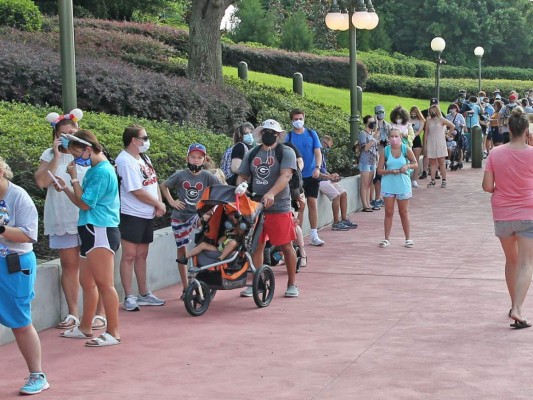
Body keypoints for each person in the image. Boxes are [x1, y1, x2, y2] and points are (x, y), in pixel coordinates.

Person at [35, 110, 106, 331]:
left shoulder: (89, 153)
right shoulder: (49, 154)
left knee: (95, 266)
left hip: (88, 216)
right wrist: (56, 157)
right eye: (63, 133)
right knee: (69, 265)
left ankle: (99, 313)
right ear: (55, 135)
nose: (68, 136)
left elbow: (103, 179)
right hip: (62, 215)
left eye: (72, 132)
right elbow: (41, 182)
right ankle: (73, 313)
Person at [53, 130, 121, 347]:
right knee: (87, 282)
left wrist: (72, 178)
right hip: (90, 229)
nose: (75, 159)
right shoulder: (95, 169)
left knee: (104, 284)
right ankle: (85, 327)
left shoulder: (102, 171)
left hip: (100, 229)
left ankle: (113, 331)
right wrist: (66, 188)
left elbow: (85, 203)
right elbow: (83, 201)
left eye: (76, 154)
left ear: (88, 149)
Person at [0, 156, 50, 394]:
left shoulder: (19, 197)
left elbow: (29, 235)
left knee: (20, 321)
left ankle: (37, 375)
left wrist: (1, 229)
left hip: (15, 265)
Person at [482, 108, 533, 329]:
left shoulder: (495, 153)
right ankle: (518, 308)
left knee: (511, 261)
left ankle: (514, 305)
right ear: (527, 131)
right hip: (528, 213)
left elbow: (487, 186)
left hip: (502, 214)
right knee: (525, 262)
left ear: (508, 129)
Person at [238, 119, 299, 297]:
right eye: (265, 132)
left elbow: (286, 175)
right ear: (260, 133)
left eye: (272, 132)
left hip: (279, 206)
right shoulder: (252, 153)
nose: (268, 135)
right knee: (256, 245)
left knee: (286, 246)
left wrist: (271, 193)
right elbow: (242, 175)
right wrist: (241, 189)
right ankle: (257, 282)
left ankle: (292, 283)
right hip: (255, 206)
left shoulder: (285, 152)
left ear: (278, 135)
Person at [115, 125, 166, 312]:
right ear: (134, 141)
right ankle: (129, 296)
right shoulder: (125, 161)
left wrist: (158, 203)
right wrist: (157, 204)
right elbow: (135, 190)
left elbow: (153, 181)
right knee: (129, 255)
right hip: (131, 213)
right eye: (144, 137)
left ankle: (145, 293)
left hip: (147, 214)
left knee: (142, 254)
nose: (147, 140)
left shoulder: (144, 157)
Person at [160, 143, 219, 297]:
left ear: (204, 160)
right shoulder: (180, 174)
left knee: (204, 222)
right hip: (180, 216)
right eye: (193, 157)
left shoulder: (207, 176)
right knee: (182, 249)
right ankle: (186, 287)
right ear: (187, 158)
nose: (195, 160)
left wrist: (210, 208)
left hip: (196, 214)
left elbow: (220, 190)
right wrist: (172, 202)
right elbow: (164, 185)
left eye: (199, 157)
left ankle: (203, 275)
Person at [285, 109, 324, 247]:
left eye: (300, 118)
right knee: (300, 207)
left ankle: (314, 234)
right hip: (297, 178)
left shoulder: (311, 134)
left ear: (304, 118)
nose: (298, 121)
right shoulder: (288, 137)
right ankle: (297, 237)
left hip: (312, 174)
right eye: (295, 119)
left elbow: (318, 152)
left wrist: (318, 167)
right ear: (291, 120)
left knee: (312, 203)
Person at [376, 129, 418, 248]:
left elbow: (415, 163)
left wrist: (407, 165)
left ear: (400, 137)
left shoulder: (405, 149)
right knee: (388, 212)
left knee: (403, 212)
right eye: (391, 136)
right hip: (389, 184)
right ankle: (386, 238)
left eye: (396, 136)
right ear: (389, 138)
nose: (394, 139)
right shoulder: (386, 151)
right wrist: (390, 171)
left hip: (402, 184)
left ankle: (408, 238)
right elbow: (379, 170)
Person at [319, 135, 357, 230]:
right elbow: (315, 172)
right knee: (336, 196)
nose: (328, 149)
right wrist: (328, 176)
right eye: (328, 146)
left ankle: (344, 219)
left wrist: (332, 176)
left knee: (343, 193)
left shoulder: (322, 154)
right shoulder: (315, 154)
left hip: (326, 179)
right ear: (324, 143)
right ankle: (336, 223)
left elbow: (323, 170)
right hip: (318, 181)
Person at [424, 105, 456, 188]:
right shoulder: (428, 121)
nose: (431, 113)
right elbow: (426, 133)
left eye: (433, 111)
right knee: (432, 162)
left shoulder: (442, 120)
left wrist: (448, 135)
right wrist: (424, 144)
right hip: (431, 142)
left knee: (441, 161)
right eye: (430, 111)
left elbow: (452, 126)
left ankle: (444, 180)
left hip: (440, 142)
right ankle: (432, 180)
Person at [358, 115, 380, 212]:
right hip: (364, 161)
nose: (372, 124)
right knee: (364, 183)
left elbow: (375, 149)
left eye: (373, 122)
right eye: (370, 122)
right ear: (366, 123)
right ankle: (365, 205)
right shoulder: (363, 134)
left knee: (369, 184)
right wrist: (373, 138)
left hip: (372, 162)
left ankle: (368, 203)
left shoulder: (372, 134)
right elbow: (365, 148)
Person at [372, 105, 391, 209]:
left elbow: (392, 137)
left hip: (385, 152)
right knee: (377, 176)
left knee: (385, 176)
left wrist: (387, 141)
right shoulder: (373, 124)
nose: (381, 113)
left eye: (382, 111)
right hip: (375, 153)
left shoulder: (387, 125)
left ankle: (383, 197)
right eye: (378, 112)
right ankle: (377, 198)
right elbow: (371, 137)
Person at [445, 104, 466, 168]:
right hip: (450, 133)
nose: (452, 110)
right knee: (449, 146)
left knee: (459, 147)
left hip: (459, 133)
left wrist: (461, 125)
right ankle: (449, 159)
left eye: (453, 108)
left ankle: (460, 161)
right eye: (451, 108)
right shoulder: (447, 116)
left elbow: (464, 124)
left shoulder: (460, 116)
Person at [408, 106, 425, 187]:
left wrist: (412, 136)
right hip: (408, 139)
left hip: (416, 139)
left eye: (415, 112)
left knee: (416, 160)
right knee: (408, 159)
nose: (413, 114)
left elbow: (419, 131)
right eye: (412, 112)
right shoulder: (408, 119)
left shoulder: (421, 120)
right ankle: (407, 178)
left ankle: (414, 179)